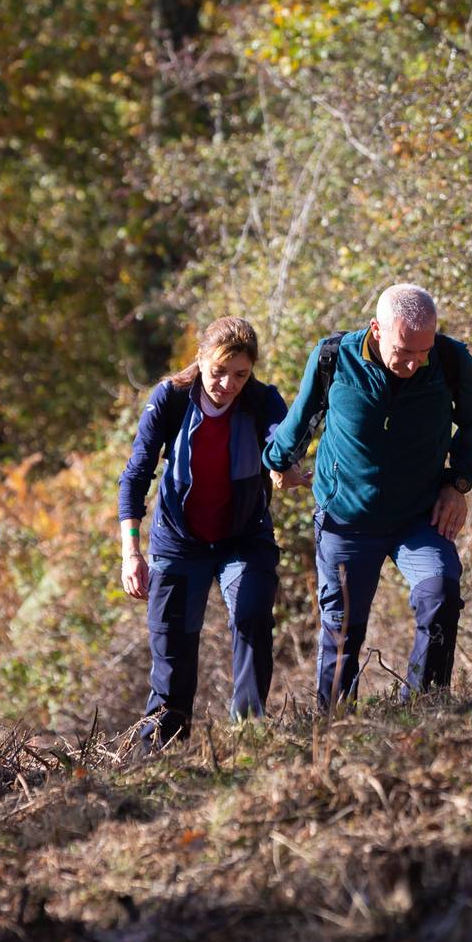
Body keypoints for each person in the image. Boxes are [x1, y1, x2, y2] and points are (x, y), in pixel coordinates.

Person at [264, 283, 472, 704]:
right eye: (403, 351)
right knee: (342, 631)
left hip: (418, 517)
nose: (413, 363)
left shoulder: (450, 360)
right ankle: (334, 726)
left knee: (441, 592)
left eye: (422, 352)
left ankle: (425, 707)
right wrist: (279, 461)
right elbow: (302, 417)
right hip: (346, 519)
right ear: (376, 330)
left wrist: (457, 483)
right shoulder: (335, 358)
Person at [116, 316, 293, 745]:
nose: (227, 384)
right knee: (172, 657)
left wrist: (285, 465)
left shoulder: (263, 400)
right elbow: (136, 474)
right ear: (199, 359)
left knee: (252, 615)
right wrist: (131, 553)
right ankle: (160, 755)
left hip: (244, 537)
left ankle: (248, 736)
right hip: (179, 541)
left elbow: (281, 440)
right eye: (219, 371)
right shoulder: (171, 398)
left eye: (240, 374)